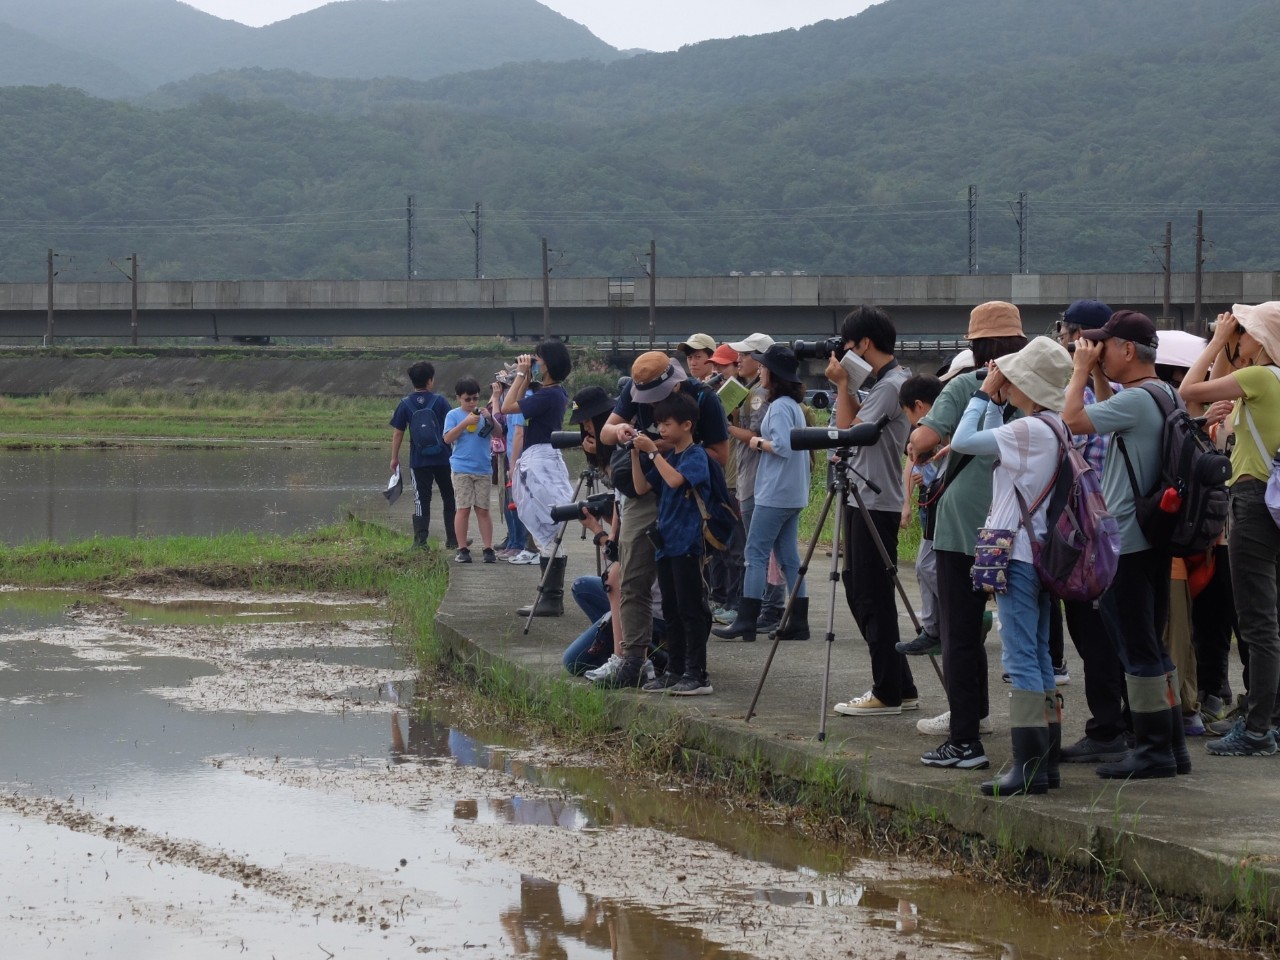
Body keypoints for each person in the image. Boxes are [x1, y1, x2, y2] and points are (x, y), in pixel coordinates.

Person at [949, 337, 1074, 796]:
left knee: (1020, 656)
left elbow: (962, 442)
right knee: (1039, 655)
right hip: (1040, 553)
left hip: (1017, 555)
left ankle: (1029, 767)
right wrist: (997, 404)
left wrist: (983, 394)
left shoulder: (1030, 431)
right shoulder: (1053, 427)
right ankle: (1047, 763)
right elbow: (993, 449)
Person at [909, 301, 1027, 771]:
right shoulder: (1037, 385)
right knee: (1025, 632)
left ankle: (965, 736)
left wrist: (926, 434)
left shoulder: (964, 385)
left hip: (964, 525)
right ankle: (1035, 738)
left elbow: (921, 444)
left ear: (976, 345)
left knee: (962, 631)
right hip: (1020, 521)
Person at [1063, 310, 1181, 779]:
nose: (1095, 350)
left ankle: (1152, 751)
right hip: (1152, 537)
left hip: (1126, 541)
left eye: (1104, 346)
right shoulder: (1161, 393)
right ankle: (1171, 747)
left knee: (1137, 649)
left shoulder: (1137, 401)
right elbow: (1110, 423)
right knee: (1152, 644)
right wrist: (1095, 371)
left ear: (1127, 350)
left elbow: (1073, 419)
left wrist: (1077, 371)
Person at [1180, 302, 1280, 757]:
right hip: (1272, 499)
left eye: (1245, 331)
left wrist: (1218, 339)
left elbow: (1189, 391)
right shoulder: (1266, 383)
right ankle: (1268, 717)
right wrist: (1229, 345)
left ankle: (1258, 730)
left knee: (1257, 622)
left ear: (1261, 339)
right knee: (1271, 618)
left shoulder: (1258, 379)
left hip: (1254, 501)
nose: (1238, 338)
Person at [599, 352, 730, 687]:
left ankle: (692, 668)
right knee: (634, 579)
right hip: (649, 493)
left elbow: (720, 456)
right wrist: (625, 435)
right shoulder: (633, 388)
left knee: (687, 595)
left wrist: (659, 447)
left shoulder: (704, 400)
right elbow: (605, 433)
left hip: (684, 504)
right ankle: (636, 660)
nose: (653, 409)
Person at [823, 306, 916, 717]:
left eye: (847, 346)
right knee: (857, 587)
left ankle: (886, 692)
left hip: (875, 502)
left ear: (863, 344)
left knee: (872, 596)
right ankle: (902, 684)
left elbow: (849, 433)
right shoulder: (884, 384)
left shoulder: (892, 385)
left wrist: (843, 385)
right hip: (863, 497)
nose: (843, 354)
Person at [1052, 299, 1132, 764]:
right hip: (1107, 532)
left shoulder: (1088, 391)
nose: (1064, 343)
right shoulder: (1120, 388)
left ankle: (1107, 728)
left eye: (1068, 334)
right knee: (1110, 633)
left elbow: (1069, 425)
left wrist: (1082, 370)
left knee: (1096, 634)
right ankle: (1124, 723)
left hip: (1092, 534)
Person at [714, 344, 810, 644]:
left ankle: (746, 619)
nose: (761, 370)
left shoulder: (779, 406)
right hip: (793, 492)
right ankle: (798, 621)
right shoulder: (793, 406)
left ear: (773, 374)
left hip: (774, 491)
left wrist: (757, 442)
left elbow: (781, 445)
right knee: (788, 558)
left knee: (754, 554)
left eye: (764, 367)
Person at [631, 391, 715, 695]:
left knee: (691, 609)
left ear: (687, 425)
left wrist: (653, 452)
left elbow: (677, 481)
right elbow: (641, 487)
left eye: (666, 424)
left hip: (688, 543)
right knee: (671, 609)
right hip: (665, 543)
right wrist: (635, 453)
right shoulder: (668, 456)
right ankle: (676, 670)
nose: (661, 430)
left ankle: (698, 674)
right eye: (659, 424)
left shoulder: (696, 455)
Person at [502, 340, 574, 615]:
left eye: (538, 359)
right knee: (548, 529)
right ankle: (550, 598)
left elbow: (507, 408)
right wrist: (524, 377)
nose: (534, 362)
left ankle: (551, 599)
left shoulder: (549, 395)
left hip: (541, 461)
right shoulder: (552, 392)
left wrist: (521, 375)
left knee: (547, 526)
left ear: (549, 363)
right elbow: (514, 404)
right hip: (544, 458)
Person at [723, 333, 787, 633]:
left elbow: (755, 436)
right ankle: (767, 607)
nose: (741, 360)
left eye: (747, 355)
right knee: (767, 549)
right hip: (750, 477)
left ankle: (769, 608)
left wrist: (728, 427)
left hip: (759, 480)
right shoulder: (746, 390)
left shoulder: (759, 395)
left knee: (763, 550)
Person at [389, 360, 457, 550]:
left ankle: (420, 542)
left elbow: (398, 433)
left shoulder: (405, 404)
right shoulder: (441, 401)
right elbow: (451, 427)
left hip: (419, 460)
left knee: (421, 498)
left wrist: (394, 458)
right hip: (444, 457)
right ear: (430, 380)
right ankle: (453, 540)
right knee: (450, 496)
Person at [706, 342, 747, 625]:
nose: (719, 371)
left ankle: (736, 603)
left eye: (725, 366)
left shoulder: (745, 396)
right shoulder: (713, 394)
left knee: (737, 548)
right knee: (719, 546)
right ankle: (722, 597)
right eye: (716, 366)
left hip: (737, 479)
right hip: (722, 480)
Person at [442, 377, 497, 563]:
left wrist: (490, 418)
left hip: (483, 468)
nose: (472, 402)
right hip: (461, 468)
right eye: (467, 399)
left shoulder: (483, 413)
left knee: (483, 509)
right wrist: (465, 422)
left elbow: (498, 433)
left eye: (475, 398)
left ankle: (488, 548)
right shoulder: (453, 415)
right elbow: (448, 439)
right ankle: (462, 548)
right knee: (463, 508)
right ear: (458, 398)